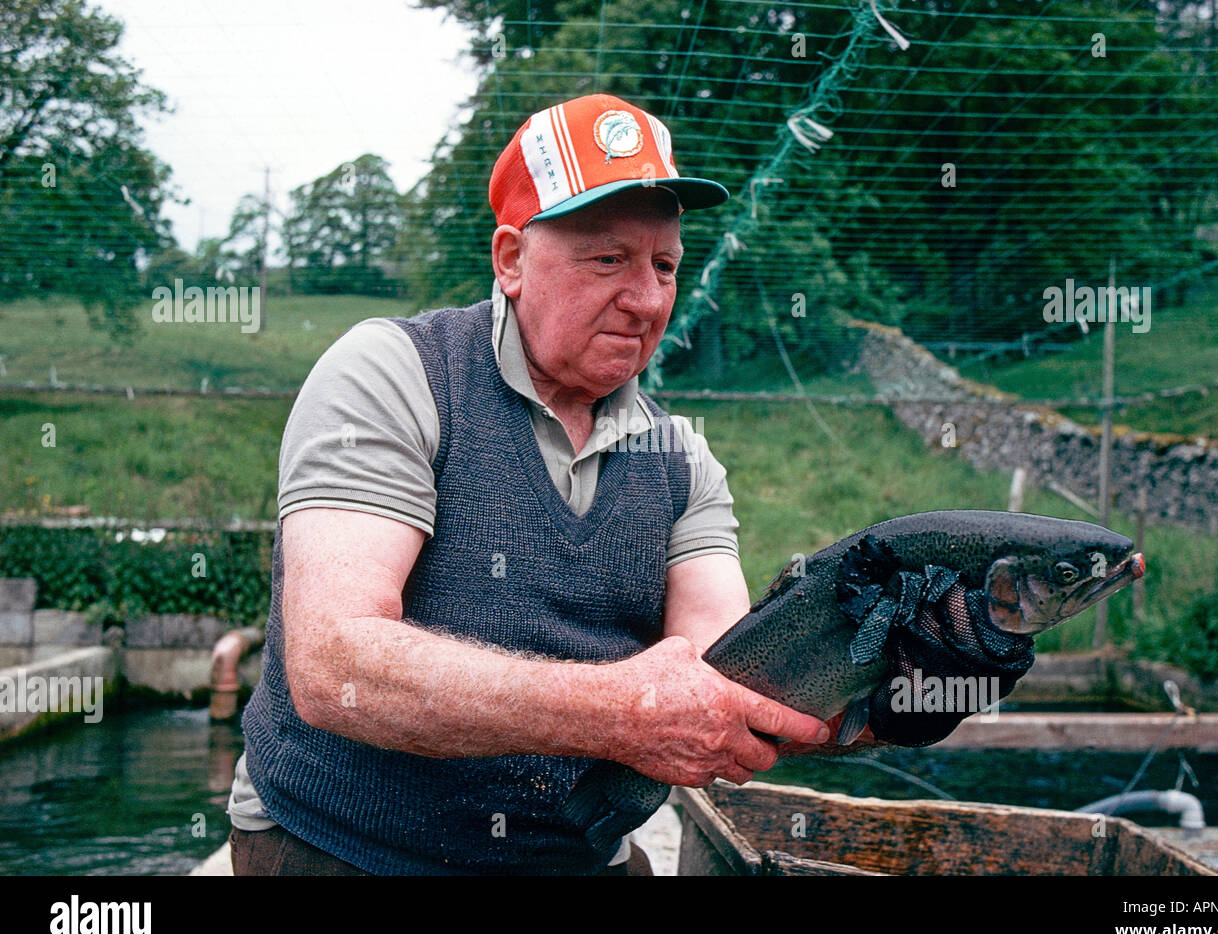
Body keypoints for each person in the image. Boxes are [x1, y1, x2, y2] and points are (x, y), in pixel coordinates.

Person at [226, 93, 1029, 876]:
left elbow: (732, 687)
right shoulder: (395, 374)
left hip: (576, 852)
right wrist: (623, 711)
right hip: (336, 844)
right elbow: (337, 671)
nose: (647, 299)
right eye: (608, 258)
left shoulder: (683, 461)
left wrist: (905, 692)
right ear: (511, 260)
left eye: (666, 265)